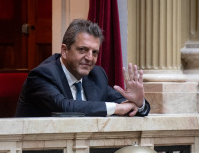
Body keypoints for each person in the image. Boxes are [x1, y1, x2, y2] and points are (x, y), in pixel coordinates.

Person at [15, 19, 150, 117]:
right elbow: (64, 108)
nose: (90, 58)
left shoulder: (96, 75)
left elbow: (125, 105)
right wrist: (116, 108)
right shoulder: (42, 75)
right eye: (82, 50)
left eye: (94, 52)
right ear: (64, 50)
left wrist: (138, 103)